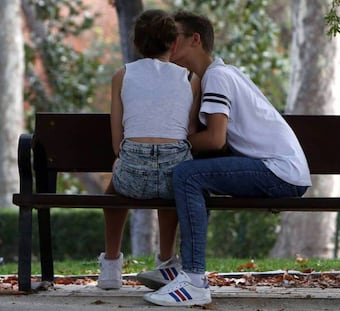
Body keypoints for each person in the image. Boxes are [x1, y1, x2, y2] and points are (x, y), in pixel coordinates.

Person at [143, 11, 312, 306]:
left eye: (174, 38)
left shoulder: (218, 77)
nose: (167, 44)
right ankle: (182, 268)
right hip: (277, 168)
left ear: (195, 40)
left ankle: (194, 281)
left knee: (187, 175)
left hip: (278, 171)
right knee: (192, 176)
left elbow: (215, 139)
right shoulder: (213, 75)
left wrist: (172, 144)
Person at [97, 9, 200, 290]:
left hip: (132, 174)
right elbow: (187, 132)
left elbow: (117, 141)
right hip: (173, 172)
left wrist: (125, 159)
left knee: (113, 192)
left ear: (136, 44)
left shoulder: (122, 75)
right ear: (174, 44)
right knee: (172, 185)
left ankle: (111, 266)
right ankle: (166, 262)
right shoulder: (190, 78)